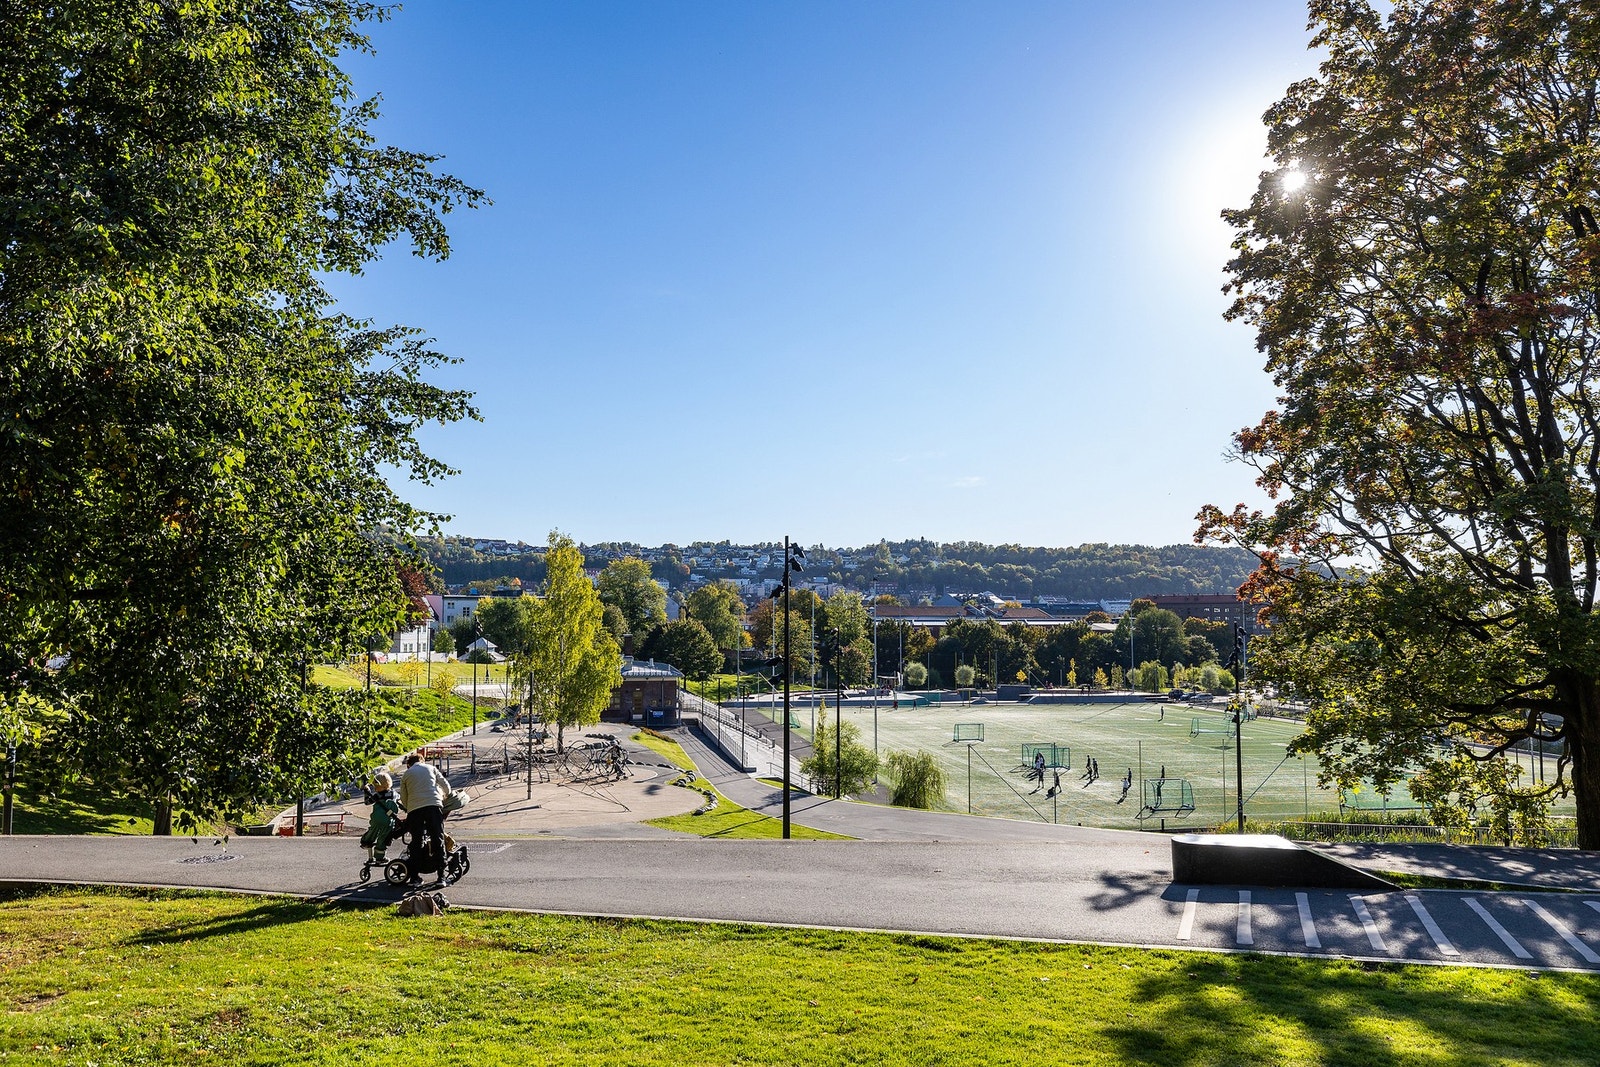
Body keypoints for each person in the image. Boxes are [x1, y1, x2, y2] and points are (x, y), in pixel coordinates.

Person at [400, 750, 455, 887]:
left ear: (409, 765)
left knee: (416, 842)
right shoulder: (431, 768)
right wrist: (447, 796)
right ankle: (441, 876)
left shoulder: (407, 774)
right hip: (433, 805)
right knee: (437, 839)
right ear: (422, 760)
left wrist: (409, 807)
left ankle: (414, 878)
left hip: (415, 809)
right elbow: (445, 785)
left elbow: (403, 797)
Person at [359, 771, 401, 865]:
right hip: (388, 820)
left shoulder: (377, 795)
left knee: (373, 831)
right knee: (382, 839)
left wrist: (367, 791)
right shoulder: (394, 794)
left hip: (376, 818)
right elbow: (398, 802)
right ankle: (379, 857)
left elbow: (367, 802)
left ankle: (366, 841)